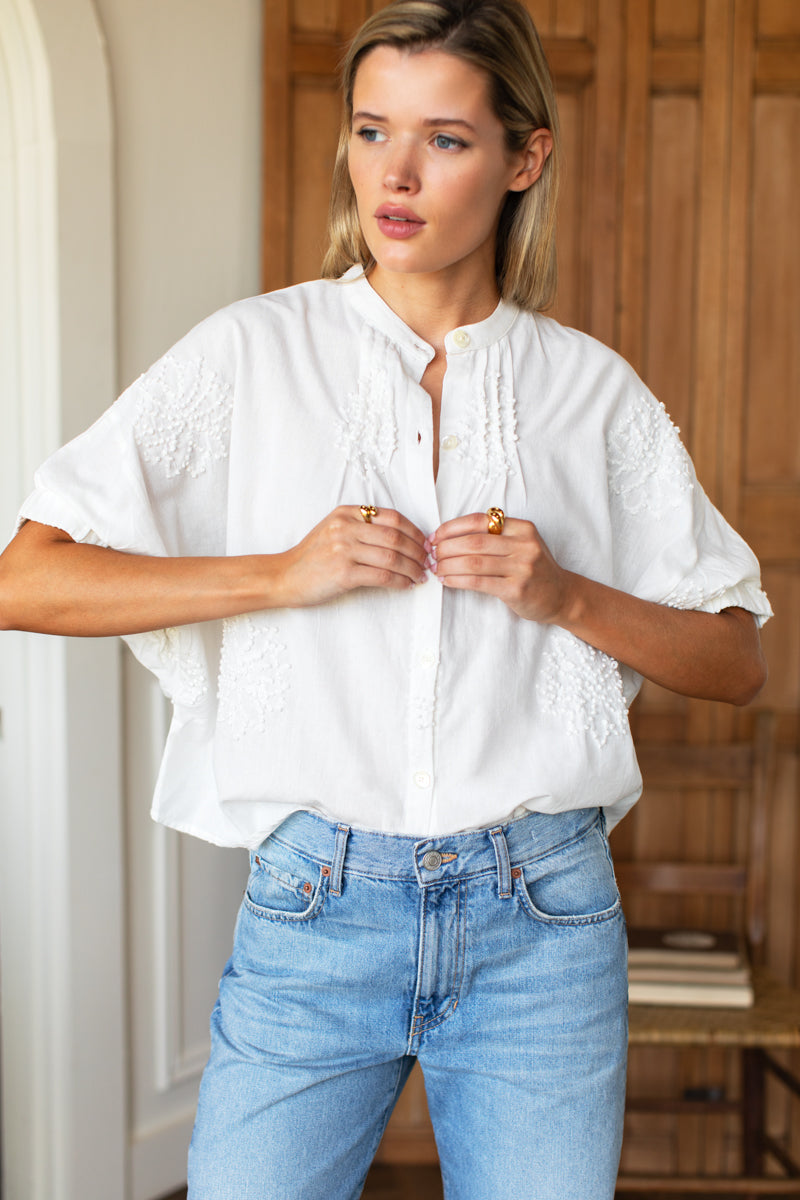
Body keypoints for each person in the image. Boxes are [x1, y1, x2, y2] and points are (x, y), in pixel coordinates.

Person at [0, 0, 771, 1196]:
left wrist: (564, 594)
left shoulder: (590, 394)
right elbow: (27, 579)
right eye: (371, 130)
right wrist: (280, 575)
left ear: (524, 157)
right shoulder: (247, 357)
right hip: (317, 907)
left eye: (445, 138)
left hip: (543, 922)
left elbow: (736, 664)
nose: (394, 173)